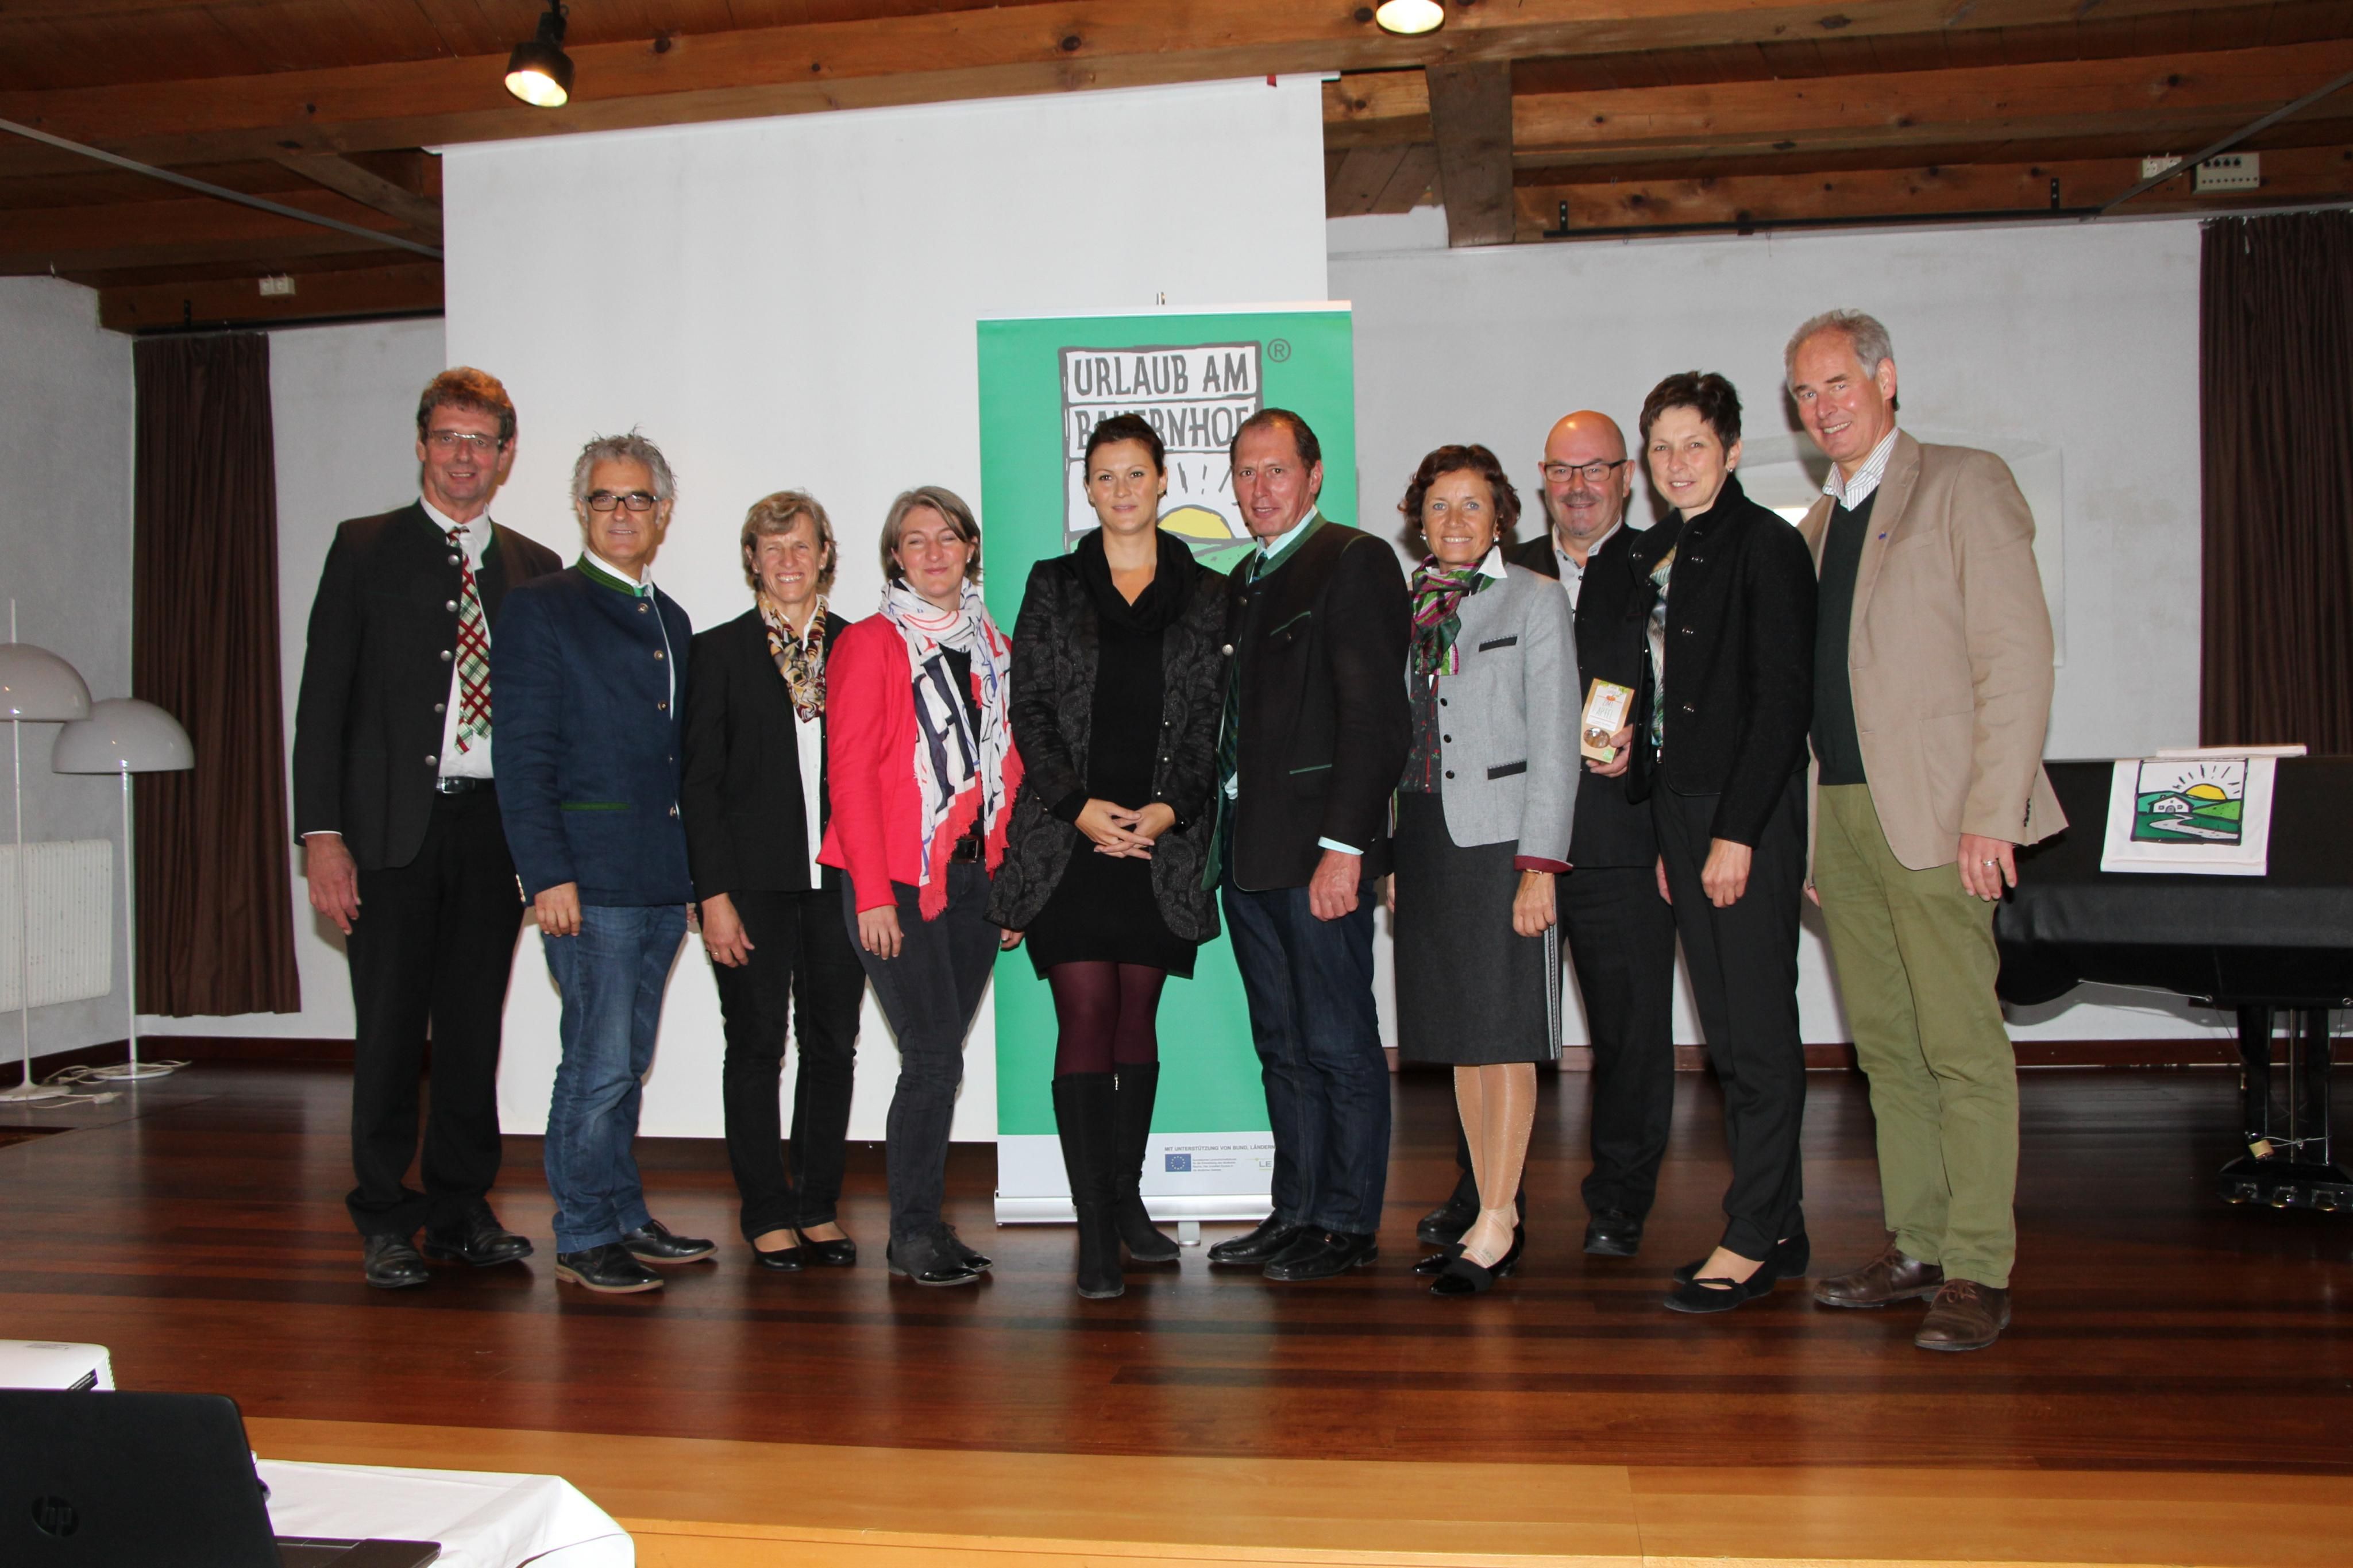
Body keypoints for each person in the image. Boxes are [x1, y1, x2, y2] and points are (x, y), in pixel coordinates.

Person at [1787, 310, 2064, 1353]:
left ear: (1887, 378)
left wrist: (1994, 814)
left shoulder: (1963, 482)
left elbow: (2017, 659)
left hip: (1945, 819)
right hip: (1845, 821)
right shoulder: (1815, 529)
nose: (1822, 408)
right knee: (1889, 1051)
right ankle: (1920, 1243)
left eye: (1837, 384)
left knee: (1961, 1046)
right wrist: (1812, 837)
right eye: (1805, 393)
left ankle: (1980, 1265)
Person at [291, 367, 562, 1290]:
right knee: (391, 1032)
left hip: (493, 832)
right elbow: (322, 703)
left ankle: (459, 1210)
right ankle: (383, 1214)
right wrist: (322, 837)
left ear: (505, 455)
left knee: (473, 1032)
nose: (463, 456)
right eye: (448, 437)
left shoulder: (535, 567)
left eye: (480, 441)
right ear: (421, 444)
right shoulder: (364, 548)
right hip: (386, 834)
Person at [1417, 410, 1680, 1260]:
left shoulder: (1658, 567)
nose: (1579, 485)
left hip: (1619, 836)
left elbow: (1696, 685)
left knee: (1629, 1031)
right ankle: (1490, 1196)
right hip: (1507, 842)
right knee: (1491, 1023)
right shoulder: (1504, 573)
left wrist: (1655, 741)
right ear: (1539, 482)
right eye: (1563, 471)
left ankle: (1620, 1200)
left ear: (1626, 476)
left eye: (1596, 468)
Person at [988, 415, 1228, 1300]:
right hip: (1069, 839)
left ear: (1163, 481)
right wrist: (1078, 808)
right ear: (1086, 489)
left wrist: (1167, 812)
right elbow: (1030, 708)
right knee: (1086, 1012)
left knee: (1138, 1017)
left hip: (1160, 841)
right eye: (1104, 476)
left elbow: (1210, 721)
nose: (1121, 490)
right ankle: (1095, 1229)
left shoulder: (1208, 593)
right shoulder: (1053, 584)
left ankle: (1126, 1203)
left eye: (1136, 474)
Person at [495, 431, 714, 1295]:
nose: (622, 513)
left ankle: (623, 1214)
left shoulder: (672, 619)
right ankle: (584, 1232)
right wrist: (546, 873)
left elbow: (678, 762)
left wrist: (693, 879)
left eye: (638, 499)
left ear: (663, 512)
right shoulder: (541, 607)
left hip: (659, 881)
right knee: (596, 1064)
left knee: (628, 1059)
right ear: (582, 508)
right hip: (588, 883)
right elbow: (522, 755)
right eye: (605, 498)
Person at [1202, 410, 1411, 1283]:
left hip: (1319, 854)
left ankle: (1347, 1222)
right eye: (1245, 473)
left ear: (1314, 475)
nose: (1260, 489)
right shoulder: (1243, 578)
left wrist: (1345, 847)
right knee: (1282, 1045)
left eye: (1277, 470)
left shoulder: (1353, 559)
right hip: (1249, 856)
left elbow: (1376, 718)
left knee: (1338, 1039)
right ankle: (1295, 1210)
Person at [1623, 372, 1816, 1314]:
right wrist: (1668, 822)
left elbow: (1782, 704)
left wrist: (1735, 833)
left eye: (1694, 444)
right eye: (1661, 447)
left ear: (1732, 451)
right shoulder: (1655, 551)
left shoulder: (1767, 545)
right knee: (1729, 1035)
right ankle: (1781, 1222)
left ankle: (1749, 1233)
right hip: (1681, 812)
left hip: (1750, 814)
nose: (1676, 463)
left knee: (1758, 1031)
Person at [820, 486, 1024, 1288]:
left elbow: (1008, 771)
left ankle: (926, 1224)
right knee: (934, 1056)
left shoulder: (995, 647)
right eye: (915, 539)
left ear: (971, 548)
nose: (934, 552)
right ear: (895, 558)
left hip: (975, 880)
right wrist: (872, 893)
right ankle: (910, 1235)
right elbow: (849, 777)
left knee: (938, 1058)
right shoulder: (869, 644)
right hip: (897, 882)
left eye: (948, 536)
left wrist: (1012, 885)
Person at [1387, 445, 1577, 1297]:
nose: (1455, 520)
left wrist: (1540, 866)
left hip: (1503, 844)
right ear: (1418, 521)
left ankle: (1500, 1218)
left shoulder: (1535, 598)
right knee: (1464, 1040)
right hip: (1429, 840)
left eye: (1472, 504)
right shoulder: (1411, 607)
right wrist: (1394, 855)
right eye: (1439, 506)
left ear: (1501, 515)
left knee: (1504, 1037)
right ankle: (1483, 1215)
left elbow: (1557, 741)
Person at [681, 491, 866, 1272]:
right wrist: (712, 894)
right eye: (772, 546)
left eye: (802, 545)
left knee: (833, 1045)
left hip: (842, 879)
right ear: (752, 559)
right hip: (749, 886)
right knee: (756, 1046)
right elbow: (698, 784)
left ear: (826, 555)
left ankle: (817, 1205)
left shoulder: (861, 646)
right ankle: (764, 1209)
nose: (789, 560)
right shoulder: (718, 651)